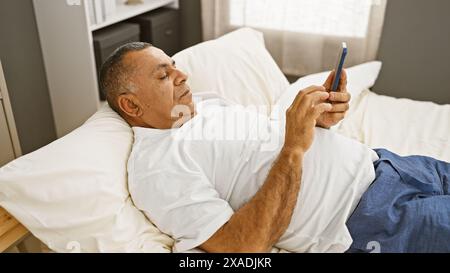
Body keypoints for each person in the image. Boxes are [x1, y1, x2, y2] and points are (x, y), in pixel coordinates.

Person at [99, 42, 450, 253]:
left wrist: (319, 119)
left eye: (175, 66)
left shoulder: (203, 105)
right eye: (163, 76)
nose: (182, 76)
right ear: (131, 106)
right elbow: (243, 248)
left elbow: (267, 143)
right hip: (372, 217)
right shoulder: (157, 167)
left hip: (391, 165)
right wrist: (294, 149)